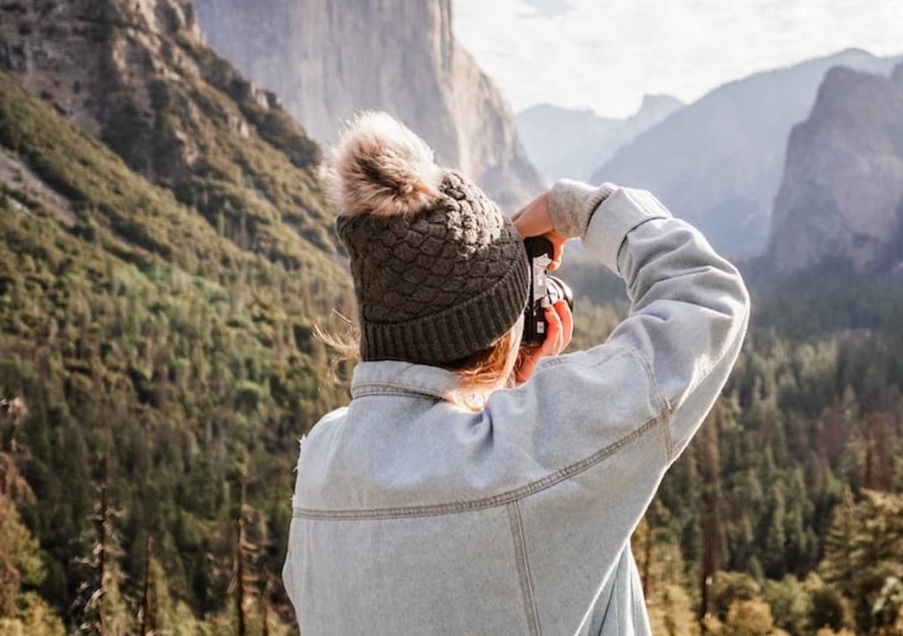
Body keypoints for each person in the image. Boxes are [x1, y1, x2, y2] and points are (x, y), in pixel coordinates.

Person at [281, 110, 751, 635]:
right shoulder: (528, 454)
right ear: (502, 333)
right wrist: (582, 209)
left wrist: (505, 378)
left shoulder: (322, 463)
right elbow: (707, 296)